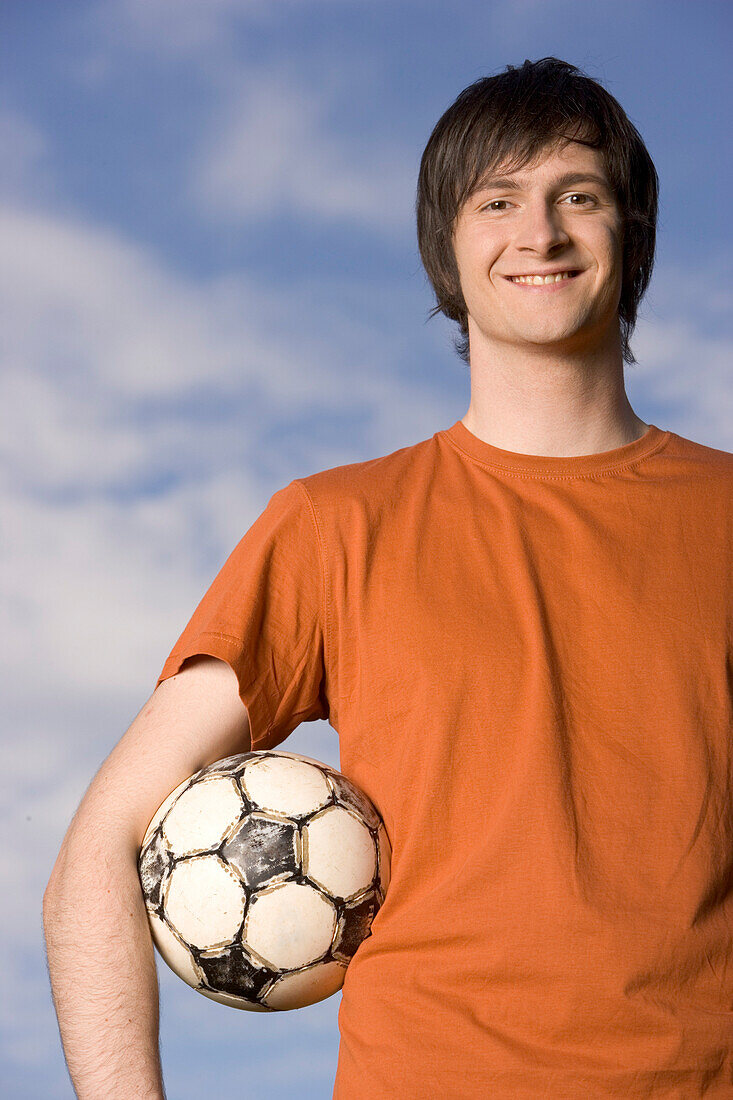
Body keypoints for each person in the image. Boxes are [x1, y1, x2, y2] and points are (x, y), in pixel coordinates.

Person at [43, 56, 733, 1098]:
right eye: (496, 200)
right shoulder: (335, 524)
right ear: (446, 252)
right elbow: (101, 844)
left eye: (576, 196)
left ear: (628, 233)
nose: (538, 232)